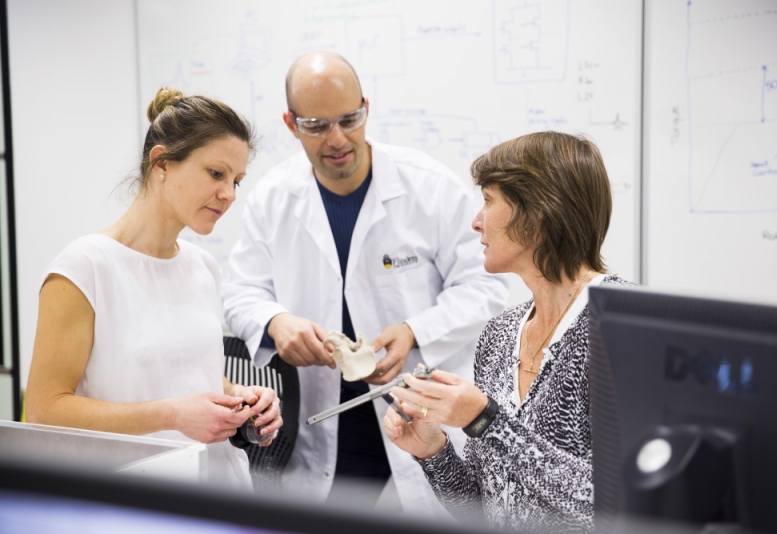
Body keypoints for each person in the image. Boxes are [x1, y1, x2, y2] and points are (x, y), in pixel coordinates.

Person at [220, 51, 508, 514]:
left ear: (366, 108)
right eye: (316, 125)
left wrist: (416, 331)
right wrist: (276, 321)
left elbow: (487, 288)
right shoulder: (272, 199)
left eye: (349, 119)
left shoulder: (428, 188)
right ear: (291, 124)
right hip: (323, 423)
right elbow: (240, 292)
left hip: (421, 415)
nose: (337, 139)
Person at [26, 87, 283, 490]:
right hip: (137, 499)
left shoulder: (203, 267)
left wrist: (242, 399)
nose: (229, 194)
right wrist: (172, 415)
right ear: (161, 163)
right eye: (216, 174)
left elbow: (188, 377)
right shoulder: (84, 268)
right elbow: (43, 414)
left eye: (237, 180)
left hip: (222, 490)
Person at [383, 131, 633, 532]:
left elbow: (617, 505)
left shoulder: (624, 327)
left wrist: (485, 420)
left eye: (488, 201)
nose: (476, 222)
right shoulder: (499, 335)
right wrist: (433, 451)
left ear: (537, 215)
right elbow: (484, 509)